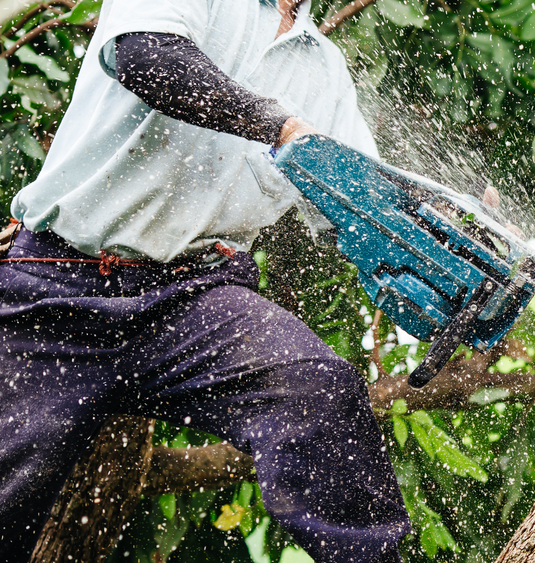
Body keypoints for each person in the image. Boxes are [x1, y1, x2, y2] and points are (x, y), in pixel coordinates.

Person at [0, 0, 412, 561]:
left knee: (314, 389)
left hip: (195, 299)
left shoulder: (325, 71)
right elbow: (148, 58)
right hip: (56, 287)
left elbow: (367, 203)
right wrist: (281, 126)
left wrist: (462, 231)